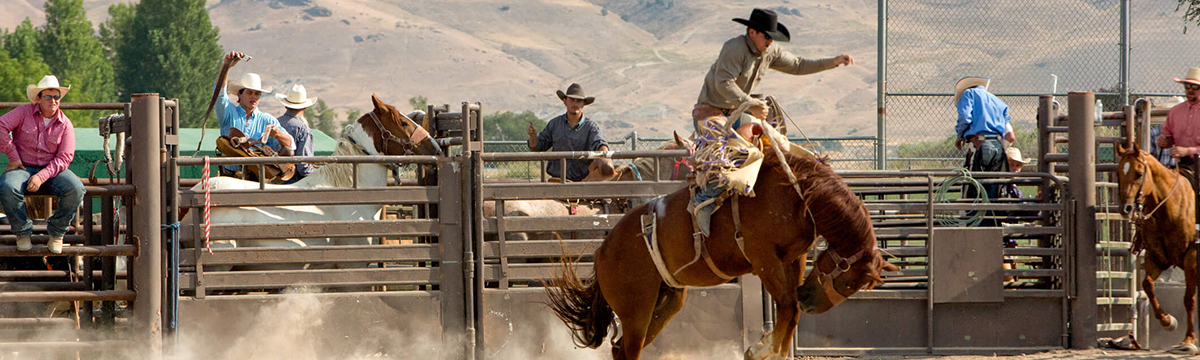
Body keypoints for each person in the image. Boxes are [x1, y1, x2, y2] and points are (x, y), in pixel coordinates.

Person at [692, 8, 853, 133]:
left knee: (768, 138)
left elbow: (798, 65)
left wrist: (833, 61)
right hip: (710, 113)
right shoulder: (735, 49)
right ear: (752, 32)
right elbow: (724, 84)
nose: (770, 41)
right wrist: (751, 105)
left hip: (735, 113)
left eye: (772, 37)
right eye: (767, 36)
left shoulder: (770, 51)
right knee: (726, 152)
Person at [0, 75, 86, 254]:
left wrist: (41, 176)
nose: (53, 101)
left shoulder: (65, 124)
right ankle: (22, 231)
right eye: (48, 96)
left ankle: (57, 232)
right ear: (39, 98)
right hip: (22, 166)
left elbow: (65, 157)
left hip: (52, 170)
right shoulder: (24, 112)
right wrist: (13, 156)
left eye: (57, 97)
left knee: (76, 189)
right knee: (7, 186)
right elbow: (1, 125)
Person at [214, 51, 295, 178]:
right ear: (239, 94)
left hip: (258, 180)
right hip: (230, 177)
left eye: (257, 94)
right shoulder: (228, 112)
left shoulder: (267, 119)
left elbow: (290, 143)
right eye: (249, 92)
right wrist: (226, 66)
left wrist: (278, 134)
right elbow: (219, 93)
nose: (254, 97)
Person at [526, 83, 610, 182]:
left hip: (583, 181)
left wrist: (603, 158)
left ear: (583, 104)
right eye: (572, 100)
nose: (575, 104)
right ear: (565, 101)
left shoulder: (591, 127)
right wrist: (533, 136)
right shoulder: (554, 124)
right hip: (557, 180)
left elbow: (601, 144)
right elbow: (537, 147)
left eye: (578, 101)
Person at [954, 76, 1010, 201]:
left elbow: (965, 117)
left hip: (980, 143)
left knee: (974, 184)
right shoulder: (998, 101)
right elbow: (1006, 124)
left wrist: (960, 136)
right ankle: (991, 218)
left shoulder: (968, 94)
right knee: (992, 186)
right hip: (997, 145)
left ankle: (974, 217)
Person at [1155, 67, 1200, 216]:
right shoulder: (1175, 112)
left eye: (1195, 87)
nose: (1190, 90)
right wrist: (1163, 140)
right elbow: (1167, 136)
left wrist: (1188, 151)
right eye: (1187, 86)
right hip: (1180, 165)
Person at [275, 84, 317, 183]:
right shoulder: (303, 129)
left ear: (286, 105)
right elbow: (303, 168)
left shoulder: (275, 123)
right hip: (292, 184)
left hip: (271, 180)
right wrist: (320, 171)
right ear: (305, 107)